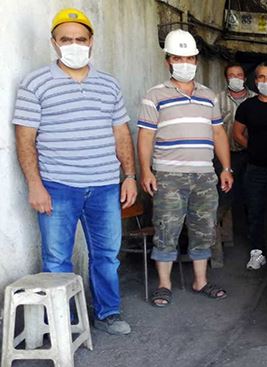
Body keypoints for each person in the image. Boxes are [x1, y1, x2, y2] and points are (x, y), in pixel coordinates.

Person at [12, 8, 136, 335]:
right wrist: (35, 185)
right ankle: (64, 322)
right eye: (66, 39)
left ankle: (108, 313)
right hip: (58, 186)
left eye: (80, 39)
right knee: (57, 259)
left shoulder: (108, 84)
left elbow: (121, 132)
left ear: (92, 42)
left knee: (106, 257)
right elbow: (25, 138)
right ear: (54, 43)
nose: (74, 45)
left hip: (105, 186)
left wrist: (130, 176)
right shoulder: (35, 82)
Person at [137, 29, 234, 307]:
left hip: (205, 174)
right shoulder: (155, 95)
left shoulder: (208, 96)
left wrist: (226, 168)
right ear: (168, 61)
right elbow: (145, 135)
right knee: (166, 228)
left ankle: (200, 281)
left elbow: (218, 134)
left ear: (196, 60)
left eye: (189, 58)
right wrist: (146, 171)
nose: (185, 63)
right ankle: (164, 285)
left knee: (203, 228)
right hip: (168, 174)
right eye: (178, 58)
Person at [232, 61, 267, 270]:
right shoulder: (248, 106)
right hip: (256, 168)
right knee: (255, 211)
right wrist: (253, 147)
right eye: (262, 77)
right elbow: (237, 134)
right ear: (255, 81)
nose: (266, 81)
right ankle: (257, 252)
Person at [211, 62, 256, 268]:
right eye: (231, 75)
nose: (236, 78)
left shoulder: (255, 99)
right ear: (226, 78)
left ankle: (253, 237)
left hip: (250, 154)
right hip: (224, 154)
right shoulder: (216, 100)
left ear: (245, 77)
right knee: (224, 195)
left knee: (250, 194)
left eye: (239, 74)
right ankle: (222, 239)